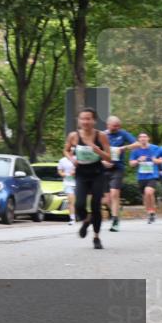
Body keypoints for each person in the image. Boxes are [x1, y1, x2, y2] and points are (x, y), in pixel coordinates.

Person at [64, 107, 112, 249]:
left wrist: (98, 150)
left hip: (97, 172)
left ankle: (96, 237)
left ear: (94, 120)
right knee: (79, 204)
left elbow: (109, 157)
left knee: (96, 206)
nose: (85, 121)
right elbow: (66, 150)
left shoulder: (101, 136)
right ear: (79, 121)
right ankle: (86, 220)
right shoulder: (73, 136)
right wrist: (71, 159)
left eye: (88, 118)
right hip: (81, 173)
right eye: (82, 119)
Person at [103, 116, 139, 232]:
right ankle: (117, 210)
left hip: (118, 168)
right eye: (115, 126)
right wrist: (102, 161)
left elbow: (137, 144)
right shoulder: (102, 135)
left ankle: (115, 220)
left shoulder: (122, 133)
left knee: (114, 194)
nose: (117, 127)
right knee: (107, 199)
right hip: (104, 169)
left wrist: (124, 148)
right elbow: (94, 149)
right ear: (108, 125)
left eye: (119, 125)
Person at [128, 132, 161, 224]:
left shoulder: (155, 148)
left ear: (148, 138)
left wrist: (157, 161)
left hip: (152, 175)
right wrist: (138, 160)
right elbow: (131, 164)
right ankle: (150, 213)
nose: (143, 139)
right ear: (138, 140)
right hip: (141, 177)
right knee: (146, 196)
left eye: (145, 137)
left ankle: (151, 211)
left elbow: (161, 157)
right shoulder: (135, 150)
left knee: (149, 192)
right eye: (141, 137)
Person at [56, 153, 77, 226]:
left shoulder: (78, 158)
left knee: (80, 202)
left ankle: (82, 216)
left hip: (79, 182)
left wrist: (75, 172)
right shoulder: (62, 160)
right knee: (70, 201)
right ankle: (72, 218)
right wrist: (64, 174)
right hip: (68, 183)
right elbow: (60, 171)